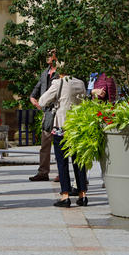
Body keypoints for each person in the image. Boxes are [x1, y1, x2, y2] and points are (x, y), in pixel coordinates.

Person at [38, 67, 88, 207]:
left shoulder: (58, 83)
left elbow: (42, 101)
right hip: (77, 126)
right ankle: (82, 194)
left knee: (62, 162)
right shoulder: (80, 83)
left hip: (61, 126)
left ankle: (65, 195)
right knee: (79, 161)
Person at [28, 49, 58, 182]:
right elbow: (37, 87)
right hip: (47, 112)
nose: (48, 57)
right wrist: (33, 98)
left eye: (50, 54)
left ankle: (60, 173)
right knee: (45, 144)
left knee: (59, 143)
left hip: (58, 110)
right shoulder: (45, 72)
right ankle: (43, 172)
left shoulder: (61, 74)